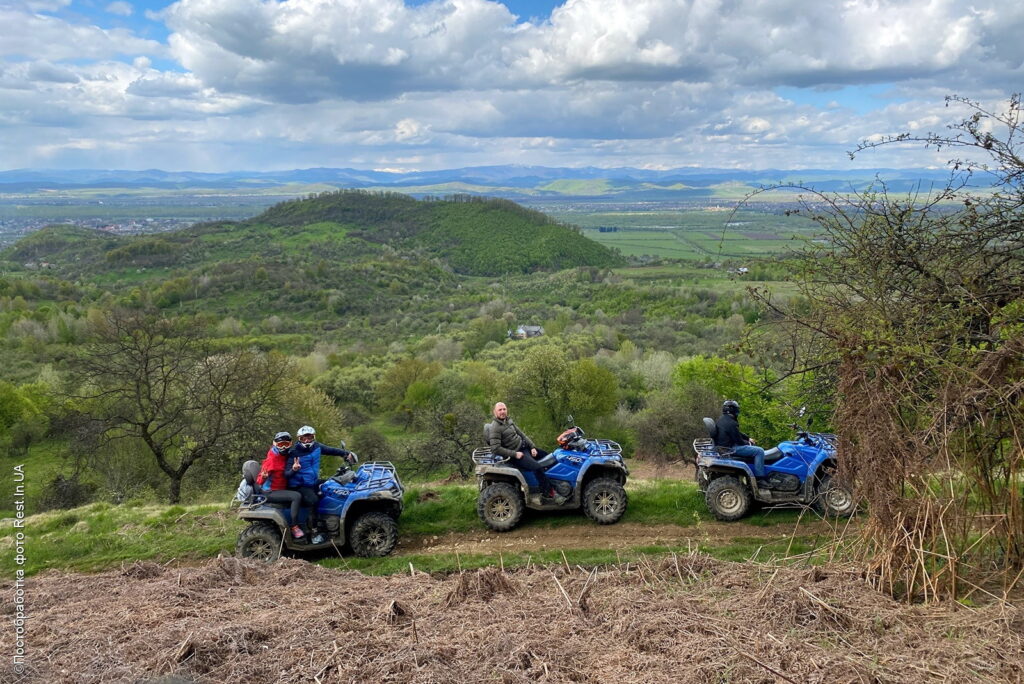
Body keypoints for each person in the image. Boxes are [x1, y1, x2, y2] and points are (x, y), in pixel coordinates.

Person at [287, 425, 355, 544]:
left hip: (312, 482)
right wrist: (294, 469)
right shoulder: (294, 453)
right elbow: (286, 474)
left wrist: (346, 453)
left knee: (333, 486)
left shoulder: (316, 447)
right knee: (313, 500)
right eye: (304, 438)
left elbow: (331, 450)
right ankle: (314, 533)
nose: (307, 441)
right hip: (299, 485)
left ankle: (331, 523)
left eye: (310, 437)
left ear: (314, 437)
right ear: (299, 439)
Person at [487, 402, 564, 503]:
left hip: (525, 448)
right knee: (537, 467)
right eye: (500, 410)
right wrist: (515, 454)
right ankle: (549, 493)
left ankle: (558, 484)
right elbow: (495, 448)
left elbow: (522, 434)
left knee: (550, 457)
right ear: (495, 412)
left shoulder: (508, 421)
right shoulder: (495, 428)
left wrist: (532, 447)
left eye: (504, 409)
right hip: (516, 455)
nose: (502, 412)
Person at [256, 431, 306, 540]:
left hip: (281, 488)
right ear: (275, 444)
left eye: (286, 444)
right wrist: (264, 477)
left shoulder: (287, 455)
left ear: (290, 444)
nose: (283, 447)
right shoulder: (271, 460)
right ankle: (294, 526)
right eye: (280, 444)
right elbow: (259, 481)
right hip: (270, 491)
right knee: (296, 496)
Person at [715, 400, 766, 477]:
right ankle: (760, 478)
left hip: (723, 447)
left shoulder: (721, 420)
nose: (737, 411)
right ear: (732, 410)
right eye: (736, 409)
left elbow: (736, 433)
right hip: (731, 448)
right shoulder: (732, 423)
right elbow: (739, 441)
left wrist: (748, 438)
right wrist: (748, 443)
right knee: (759, 451)